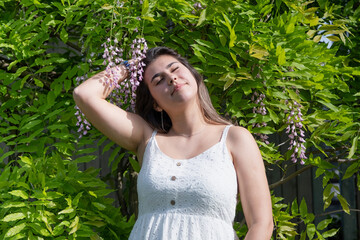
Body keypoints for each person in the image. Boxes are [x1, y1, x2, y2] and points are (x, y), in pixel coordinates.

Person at [73, 46, 273, 239]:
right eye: (158, 80)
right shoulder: (146, 139)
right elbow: (85, 94)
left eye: (175, 68)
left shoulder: (234, 138)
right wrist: (132, 65)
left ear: (193, 76)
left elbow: (261, 223)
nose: (171, 78)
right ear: (155, 104)